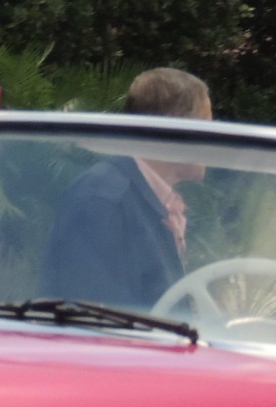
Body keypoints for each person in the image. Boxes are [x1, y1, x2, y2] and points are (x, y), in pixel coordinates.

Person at [36, 68, 213, 310]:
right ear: (178, 132)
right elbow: (90, 314)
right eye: (207, 126)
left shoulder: (150, 198)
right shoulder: (102, 199)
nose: (214, 140)